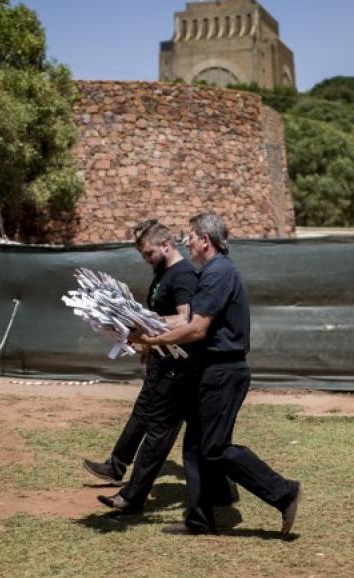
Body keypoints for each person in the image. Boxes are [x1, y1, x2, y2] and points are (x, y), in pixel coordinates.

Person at [134, 212, 300, 535]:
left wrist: (150, 339)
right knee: (195, 447)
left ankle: (284, 492)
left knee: (214, 448)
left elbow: (196, 329)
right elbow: (184, 322)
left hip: (224, 372)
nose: (187, 241)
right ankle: (199, 520)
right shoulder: (212, 271)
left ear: (205, 241)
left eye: (191, 236)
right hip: (213, 370)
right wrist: (141, 325)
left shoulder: (218, 273)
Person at [86, 220, 236, 512]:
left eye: (149, 253)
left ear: (165, 246)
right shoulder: (165, 274)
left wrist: (143, 329)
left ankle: (132, 495)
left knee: (161, 430)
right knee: (192, 431)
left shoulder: (182, 277)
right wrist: (147, 344)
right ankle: (222, 489)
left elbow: (186, 320)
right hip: (164, 360)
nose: (146, 260)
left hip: (178, 367)